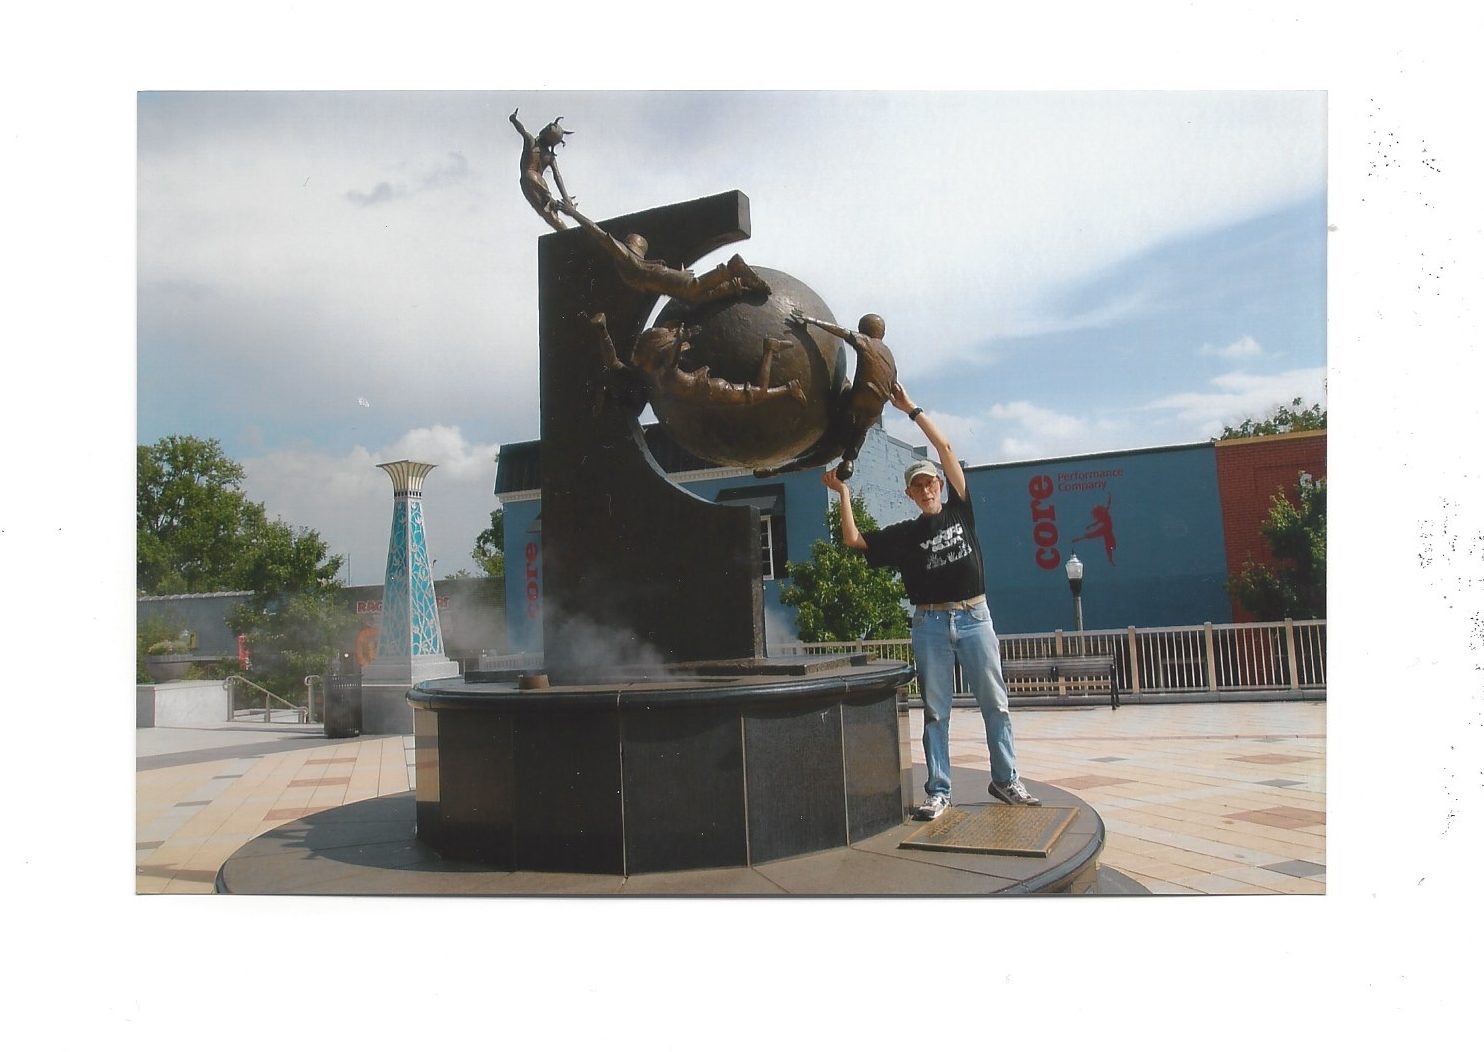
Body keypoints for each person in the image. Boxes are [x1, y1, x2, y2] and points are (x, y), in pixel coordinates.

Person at [823, 381, 1039, 818]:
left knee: (994, 702)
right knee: (936, 710)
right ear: (909, 494)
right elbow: (853, 540)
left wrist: (911, 409)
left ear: (940, 485)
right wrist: (842, 493)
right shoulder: (905, 536)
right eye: (917, 488)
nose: (925, 491)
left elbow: (943, 444)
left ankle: (1006, 779)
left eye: (930, 484)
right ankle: (939, 791)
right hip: (930, 625)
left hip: (975, 617)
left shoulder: (961, 508)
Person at [554, 198, 770, 303]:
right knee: (694, 298)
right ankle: (735, 285)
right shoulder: (633, 263)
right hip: (663, 279)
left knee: (694, 290)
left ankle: (731, 269)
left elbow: (599, 235)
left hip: (662, 278)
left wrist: (573, 213)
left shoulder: (626, 258)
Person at [582, 311, 805, 411]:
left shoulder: (659, 374)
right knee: (756, 394)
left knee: (758, 394)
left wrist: (679, 341)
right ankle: (786, 384)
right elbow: (612, 362)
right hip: (706, 390)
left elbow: (615, 363)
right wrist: (602, 330)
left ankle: (773, 357)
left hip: (710, 389)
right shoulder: (651, 376)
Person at [509, 109, 575, 232]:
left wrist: (566, 197)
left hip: (535, 181)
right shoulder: (531, 142)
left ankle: (566, 232)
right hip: (531, 184)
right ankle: (563, 229)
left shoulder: (547, 155)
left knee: (529, 176)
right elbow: (522, 131)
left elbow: (557, 176)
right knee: (547, 214)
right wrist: (514, 120)